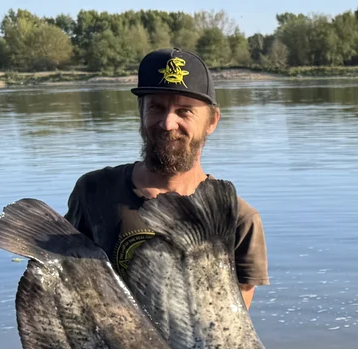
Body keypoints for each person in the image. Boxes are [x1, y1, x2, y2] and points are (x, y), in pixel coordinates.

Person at [63, 48, 267, 308]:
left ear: (212, 121)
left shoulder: (239, 219)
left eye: (185, 111)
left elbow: (232, 333)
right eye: (156, 107)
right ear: (141, 112)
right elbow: (63, 284)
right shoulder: (93, 191)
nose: (168, 123)